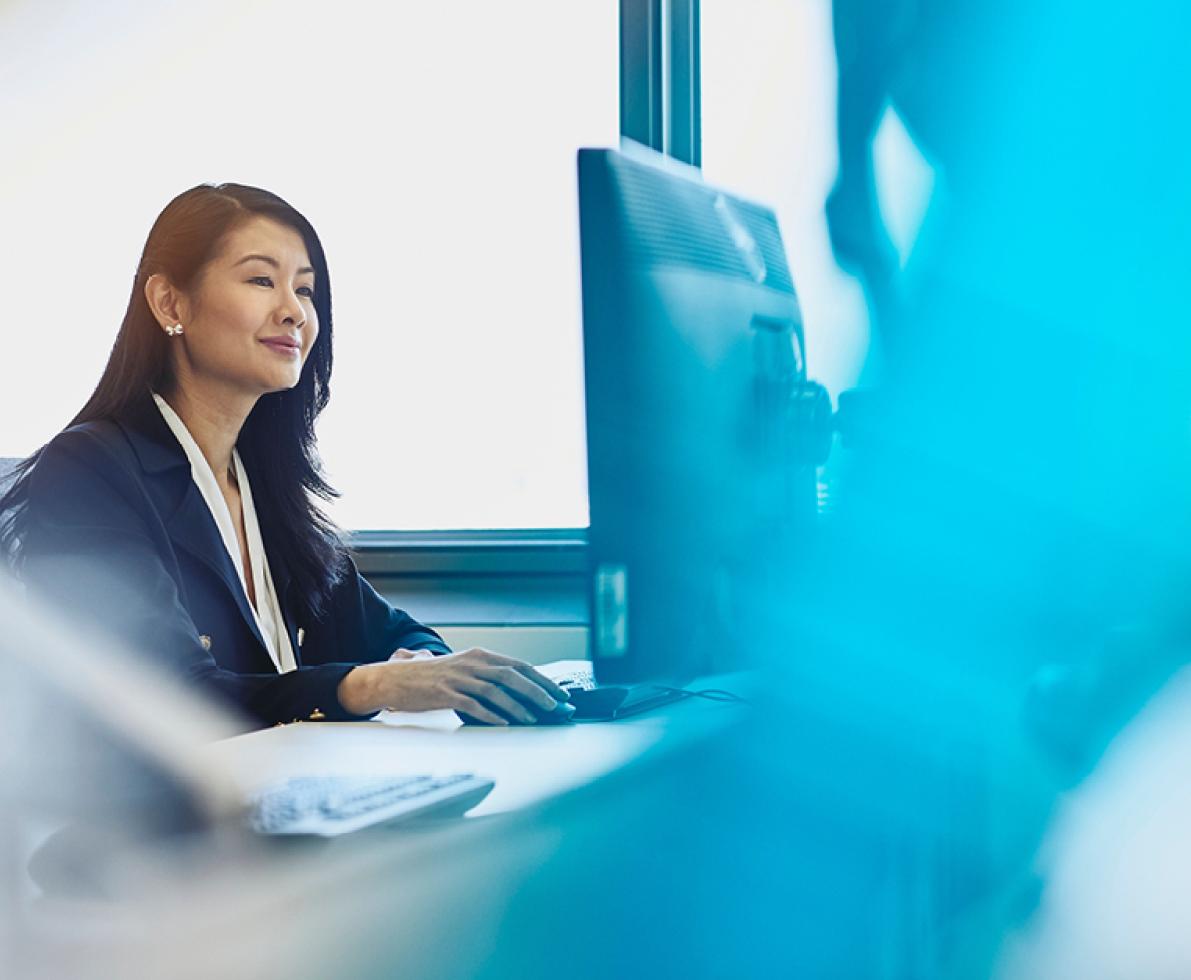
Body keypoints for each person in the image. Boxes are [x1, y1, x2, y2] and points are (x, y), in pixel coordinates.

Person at [0, 183, 568, 729]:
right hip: (149, 822)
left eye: (305, 289)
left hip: (281, 799)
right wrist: (368, 686)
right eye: (260, 280)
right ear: (170, 301)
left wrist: (416, 672)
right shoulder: (86, 472)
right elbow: (167, 697)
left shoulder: (263, 486)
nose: (294, 311)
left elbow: (398, 636)